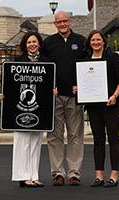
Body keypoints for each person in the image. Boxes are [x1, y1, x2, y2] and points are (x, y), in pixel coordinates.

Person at [73, 30, 119, 187]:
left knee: (113, 139)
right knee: (98, 140)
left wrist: (114, 96)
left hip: (111, 104)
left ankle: (114, 175)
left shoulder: (112, 58)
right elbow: (82, 82)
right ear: (89, 43)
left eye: (98, 39)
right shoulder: (85, 61)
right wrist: (79, 89)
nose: (95, 42)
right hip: (93, 106)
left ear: (103, 41)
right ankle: (99, 176)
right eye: (93, 40)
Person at [41, 11, 87, 186]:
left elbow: (88, 67)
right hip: (55, 97)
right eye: (59, 22)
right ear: (55, 24)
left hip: (75, 97)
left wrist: (82, 85)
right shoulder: (48, 43)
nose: (62, 24)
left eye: (65, 21)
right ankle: (57, 173)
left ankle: (74, 173)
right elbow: (43, 68)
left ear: (70, 21)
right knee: (54, 136)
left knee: (75, 135)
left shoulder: (81, 41)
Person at [0, 31, 49, 188]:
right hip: (20, 110)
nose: (32, 45)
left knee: (35, 142)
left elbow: (48, 84)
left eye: (34, 42)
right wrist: (4, 95)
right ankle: (22, 176)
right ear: (24, 45)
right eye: (29, 42)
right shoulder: (17, 62)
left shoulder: (46, 62)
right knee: (22, 142)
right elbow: (10, 86)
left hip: (39, 110)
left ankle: (34, 175)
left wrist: (52, 90)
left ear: (39, 43)